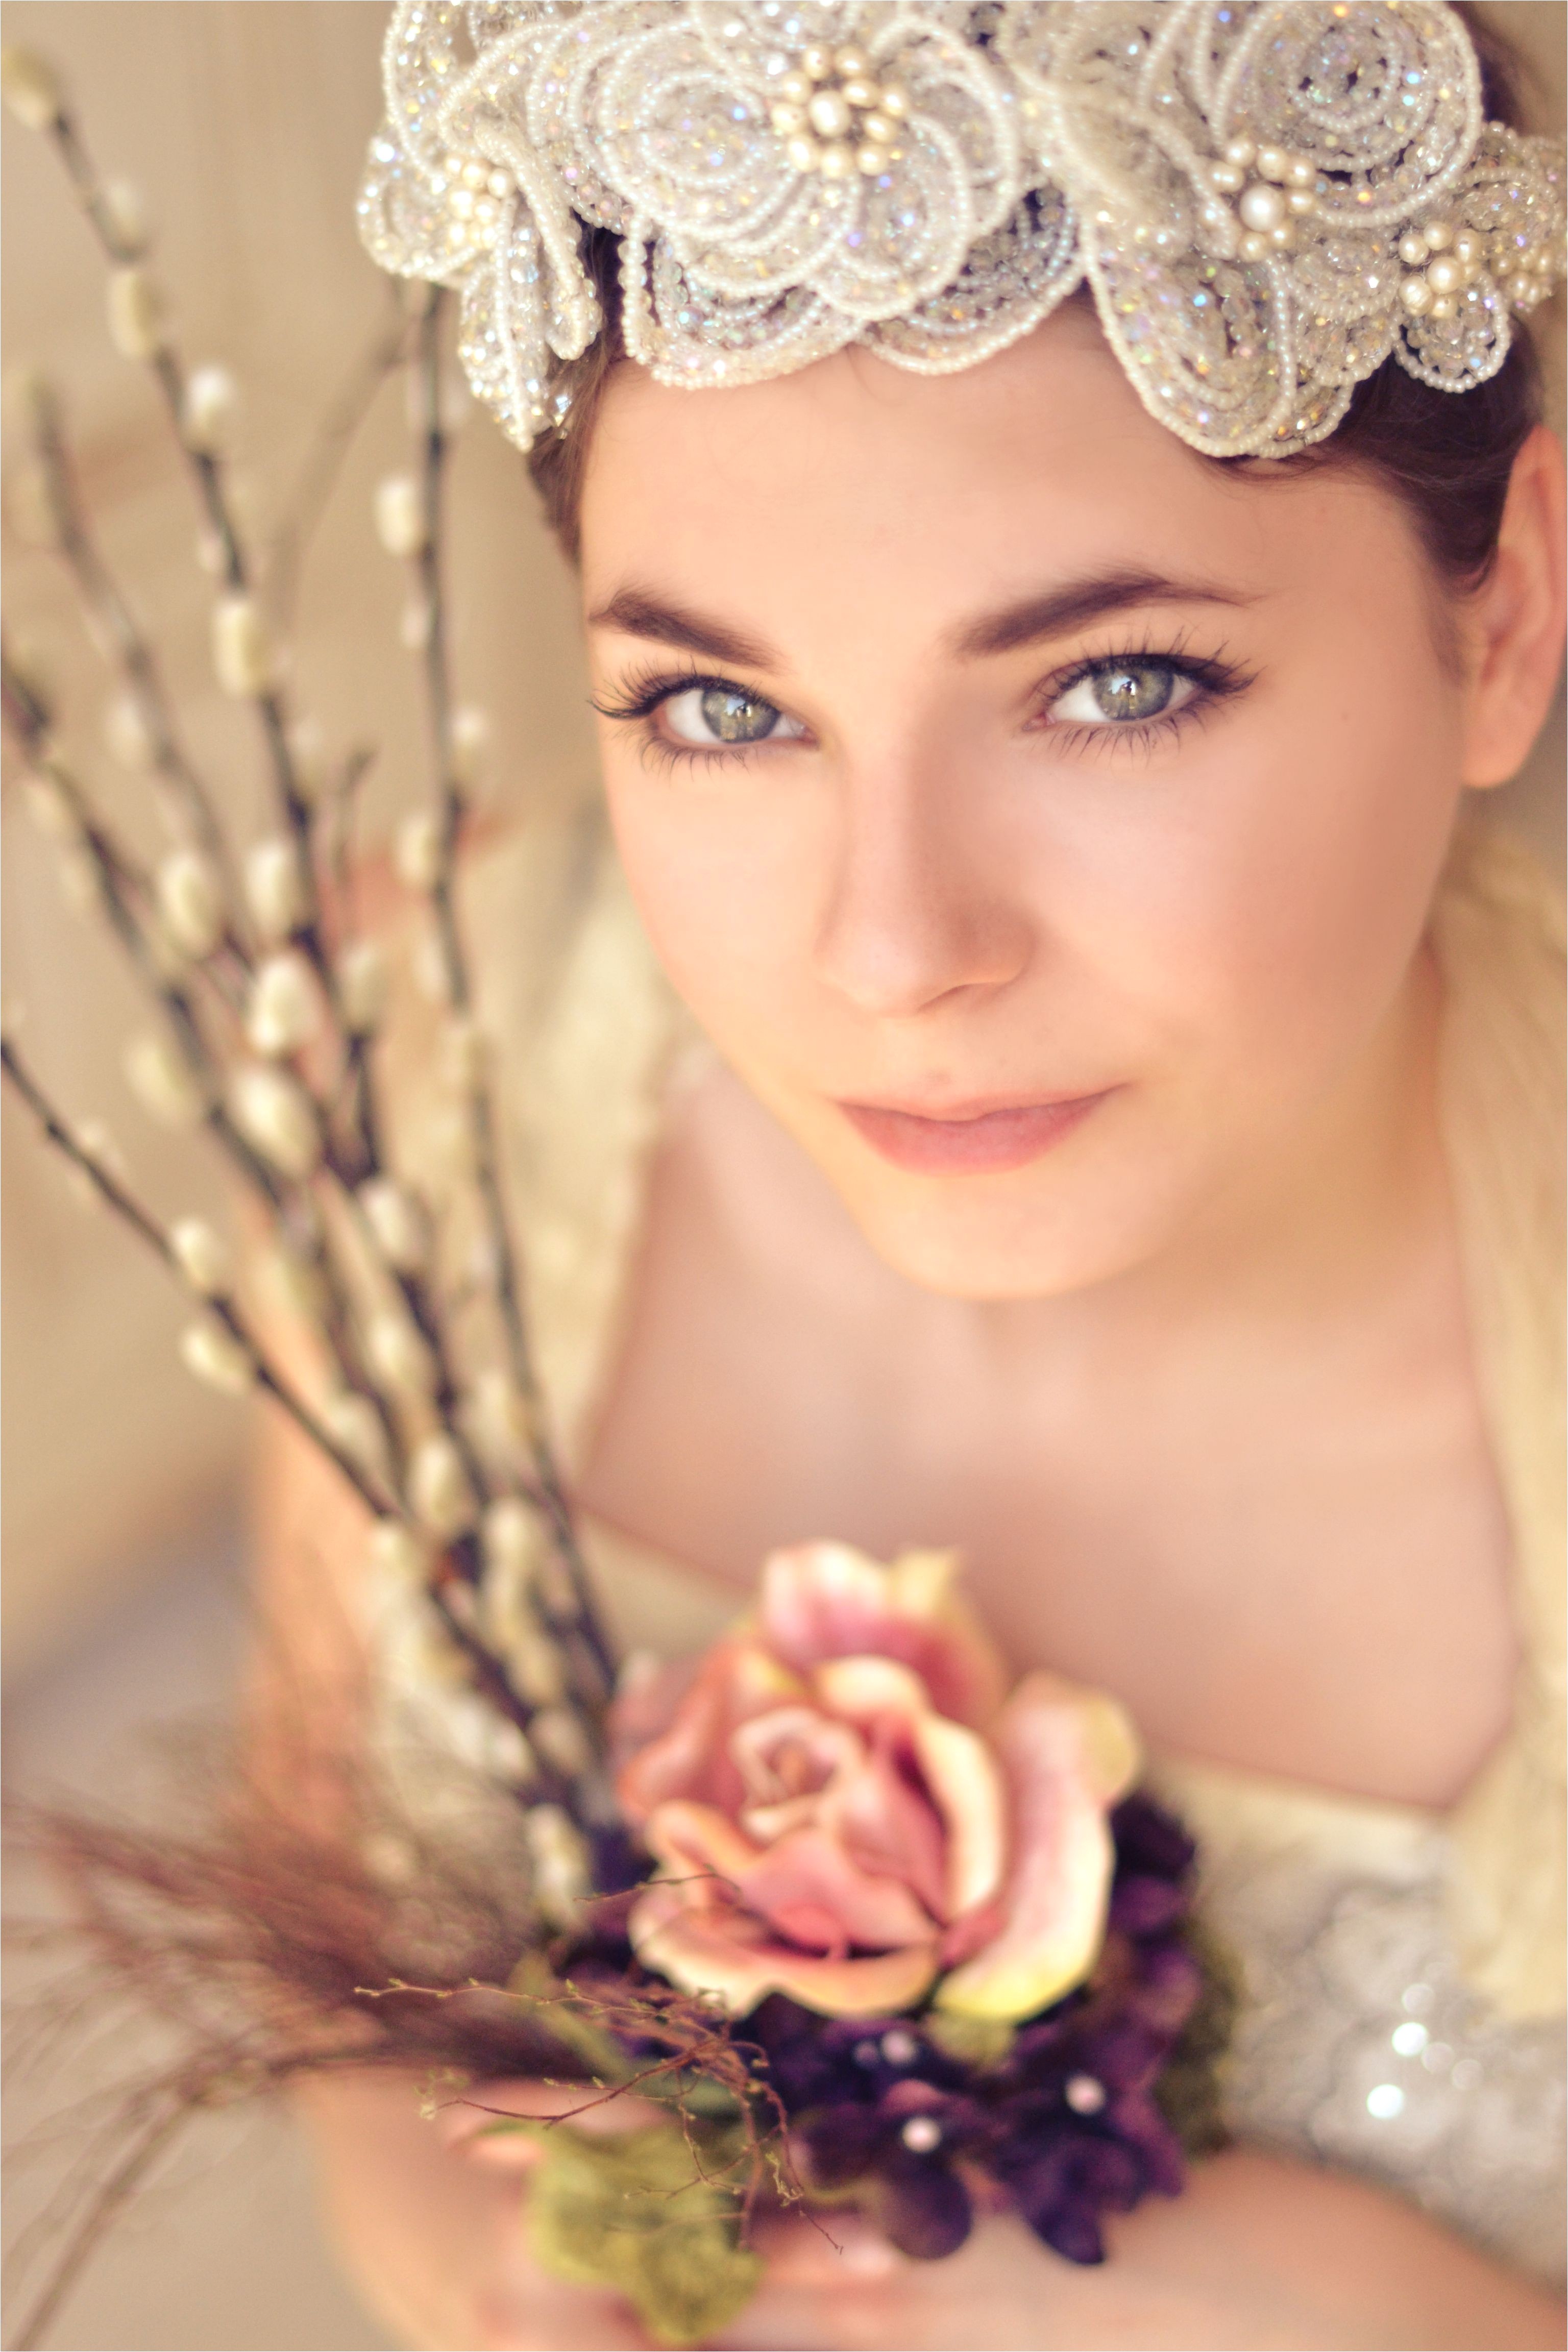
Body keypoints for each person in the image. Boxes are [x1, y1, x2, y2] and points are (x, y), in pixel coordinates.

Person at [260, 5, 1567, 2345]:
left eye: (1119, 686)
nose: (892, 953)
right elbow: (322, 1891)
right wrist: (454, 2225)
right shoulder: (424, 1086)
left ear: (1506, 612)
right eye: (723, 710)